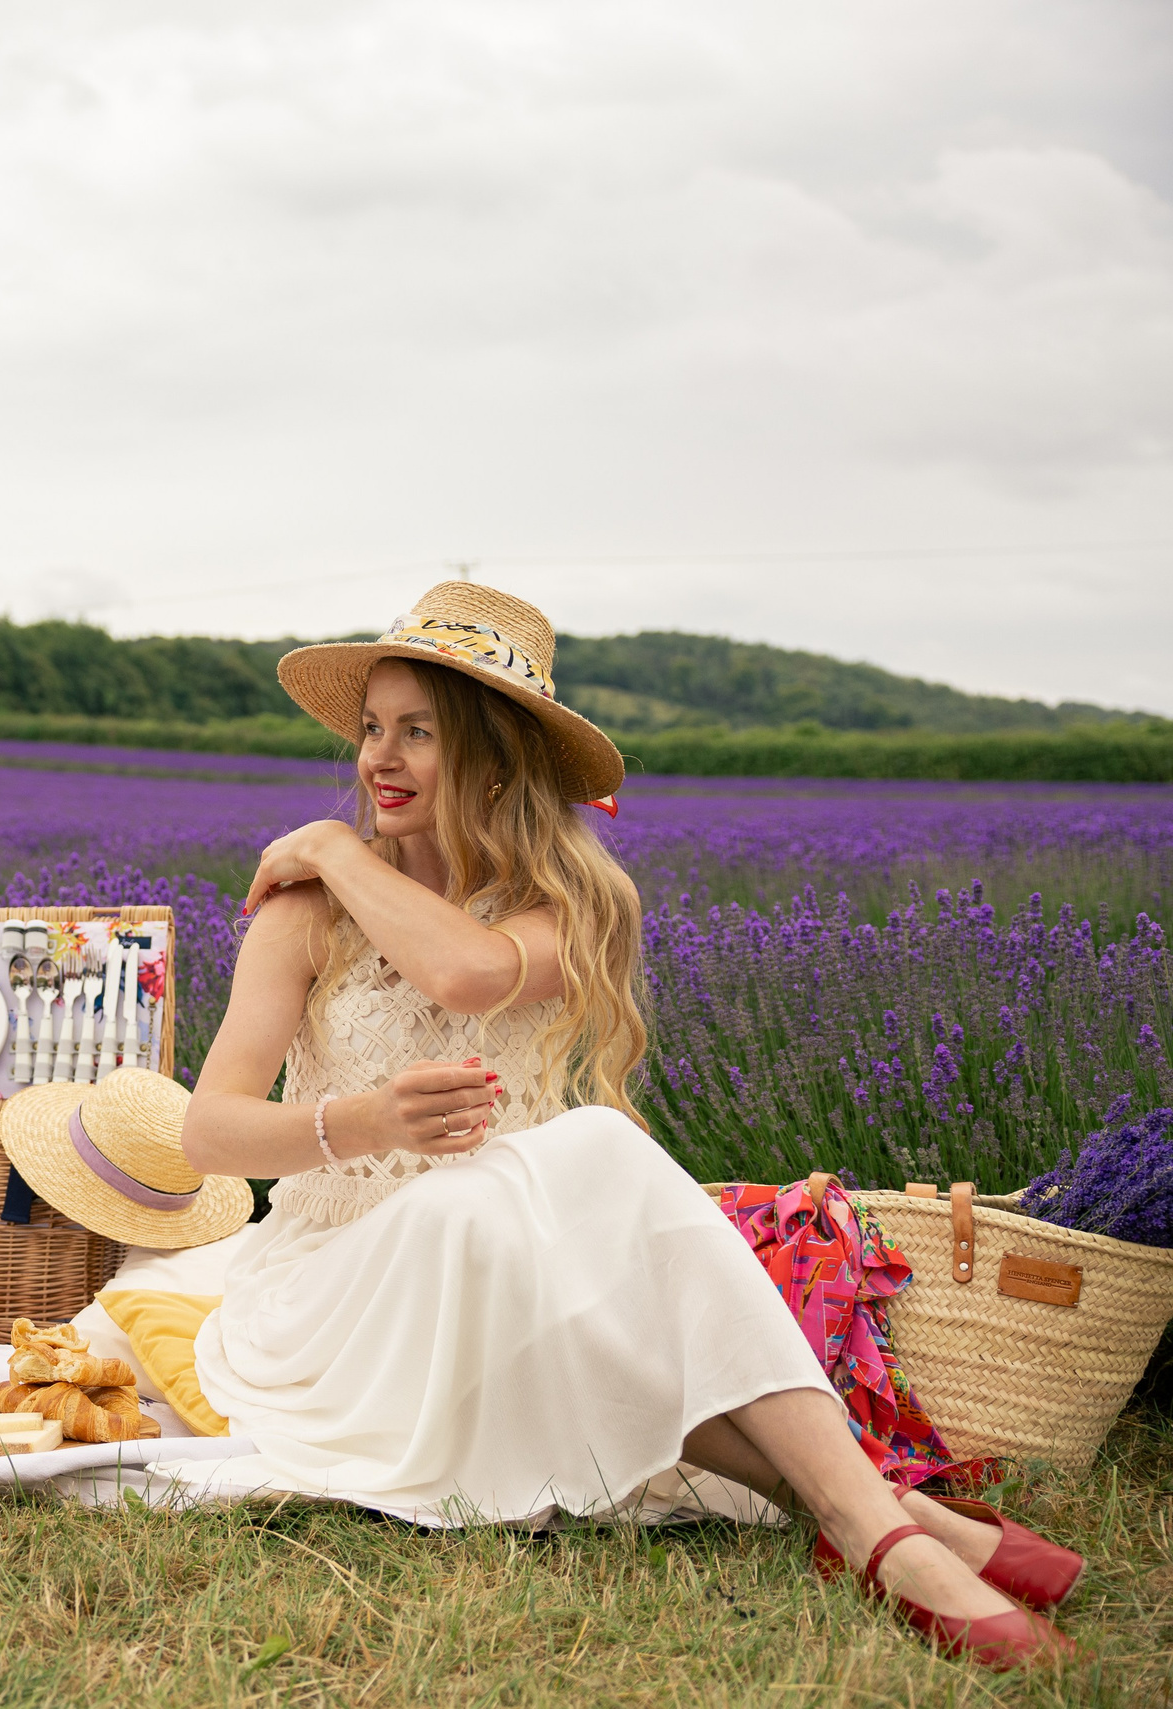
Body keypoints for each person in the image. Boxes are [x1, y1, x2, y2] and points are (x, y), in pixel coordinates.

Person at [172, 583, 1076, 1669]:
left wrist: (335, 843)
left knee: (573, 1164)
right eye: (371, 728)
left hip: (512, 1278)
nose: (379, 758)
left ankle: (867, 1525)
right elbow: (209, 1135)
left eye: (419, 730)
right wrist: (361, 1118)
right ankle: (891, 1525)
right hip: (337, 1295)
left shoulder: (574, 902)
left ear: (495, 757)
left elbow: (460, 966)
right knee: (590, 1155)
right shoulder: (301, 914)